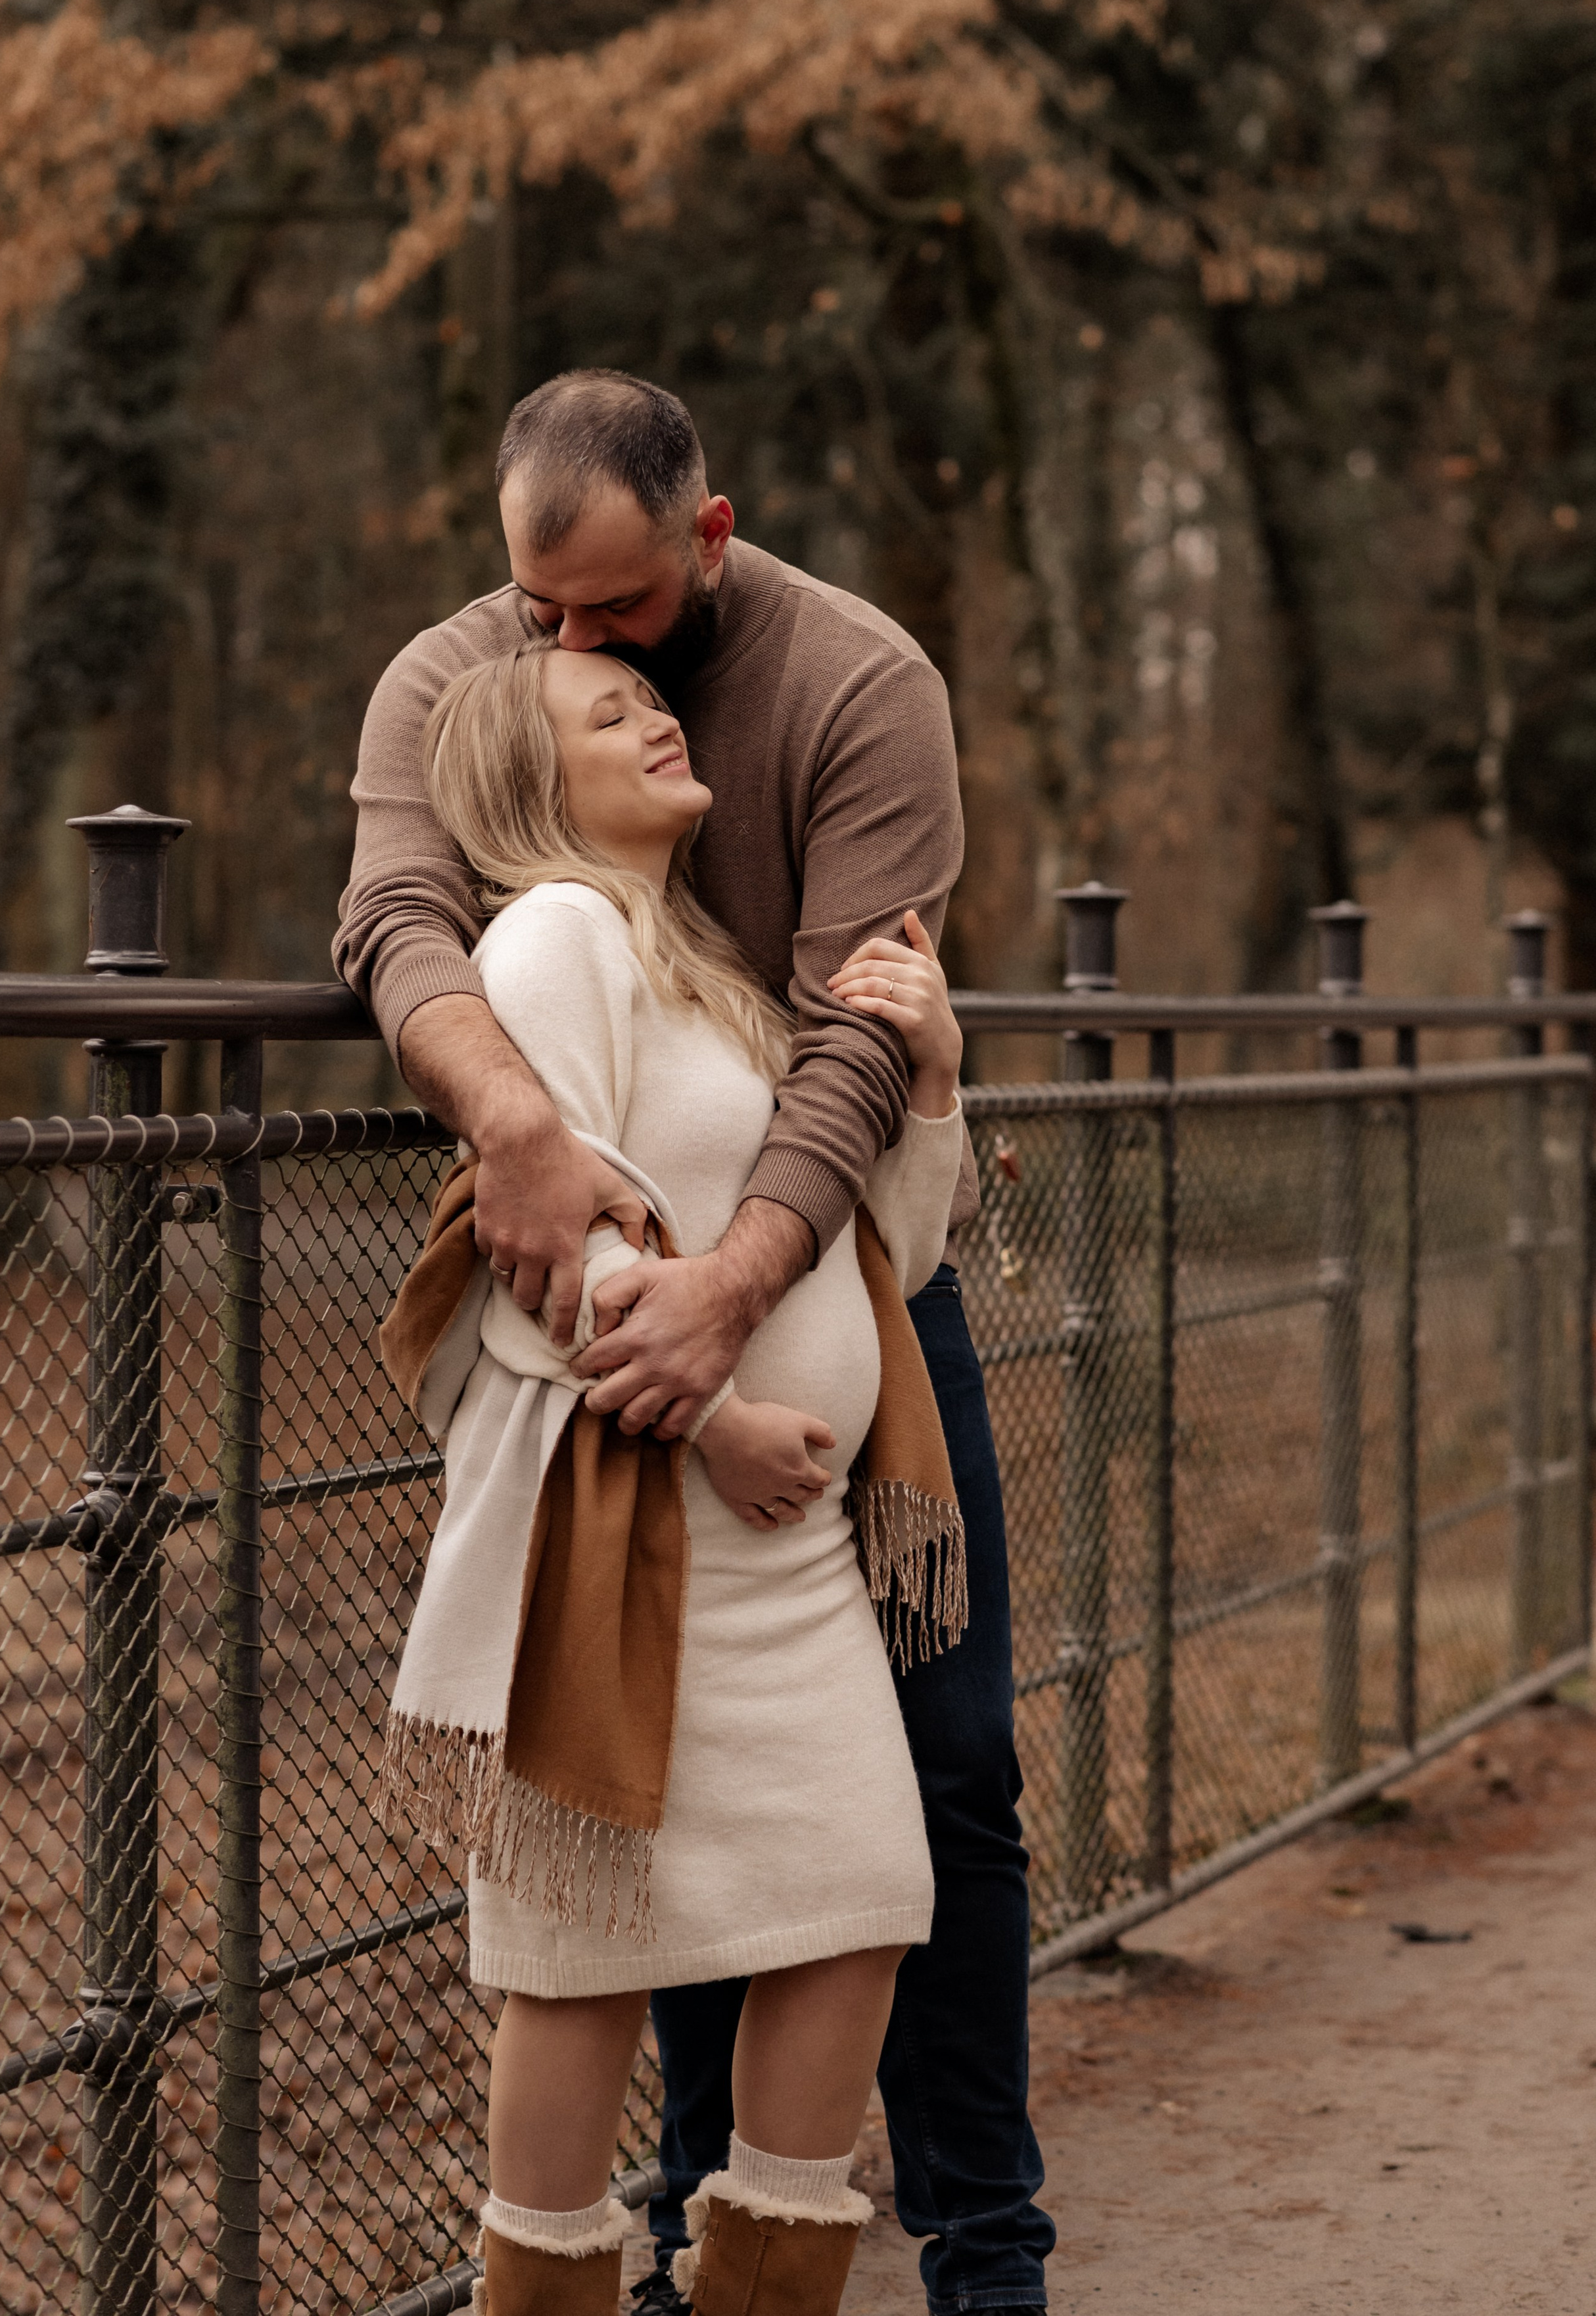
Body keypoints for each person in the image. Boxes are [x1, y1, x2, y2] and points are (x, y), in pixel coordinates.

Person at [336, 370, 1054, 2313]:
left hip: (821, 1345)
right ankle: (659, 2262)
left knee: (946, 1796)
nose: (571, 649)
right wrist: (513, 1128)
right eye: (543, 619)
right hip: (666, 1446)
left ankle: (985, 2263)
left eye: (619, 625)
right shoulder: (482, 726)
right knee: (631, 1904)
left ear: (709, 543)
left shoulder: (853, 683)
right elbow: (398, 917)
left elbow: (843, 1074)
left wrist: (896, 1118)